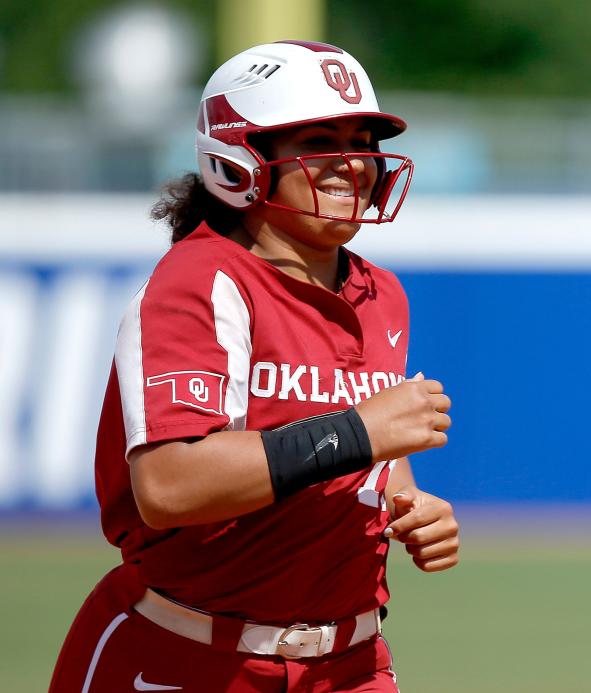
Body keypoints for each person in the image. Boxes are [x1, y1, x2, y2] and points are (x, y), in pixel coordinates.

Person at [50, 40, 460, 693]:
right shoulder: (200, 282)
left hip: (350, 662)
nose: (351, 161)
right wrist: (358, 430)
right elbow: (169, 484)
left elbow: (372, 450)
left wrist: (409, 498)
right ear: (239, 161)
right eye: (319, 139)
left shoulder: (381, 292)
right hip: (188, 657)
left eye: (362, 138)